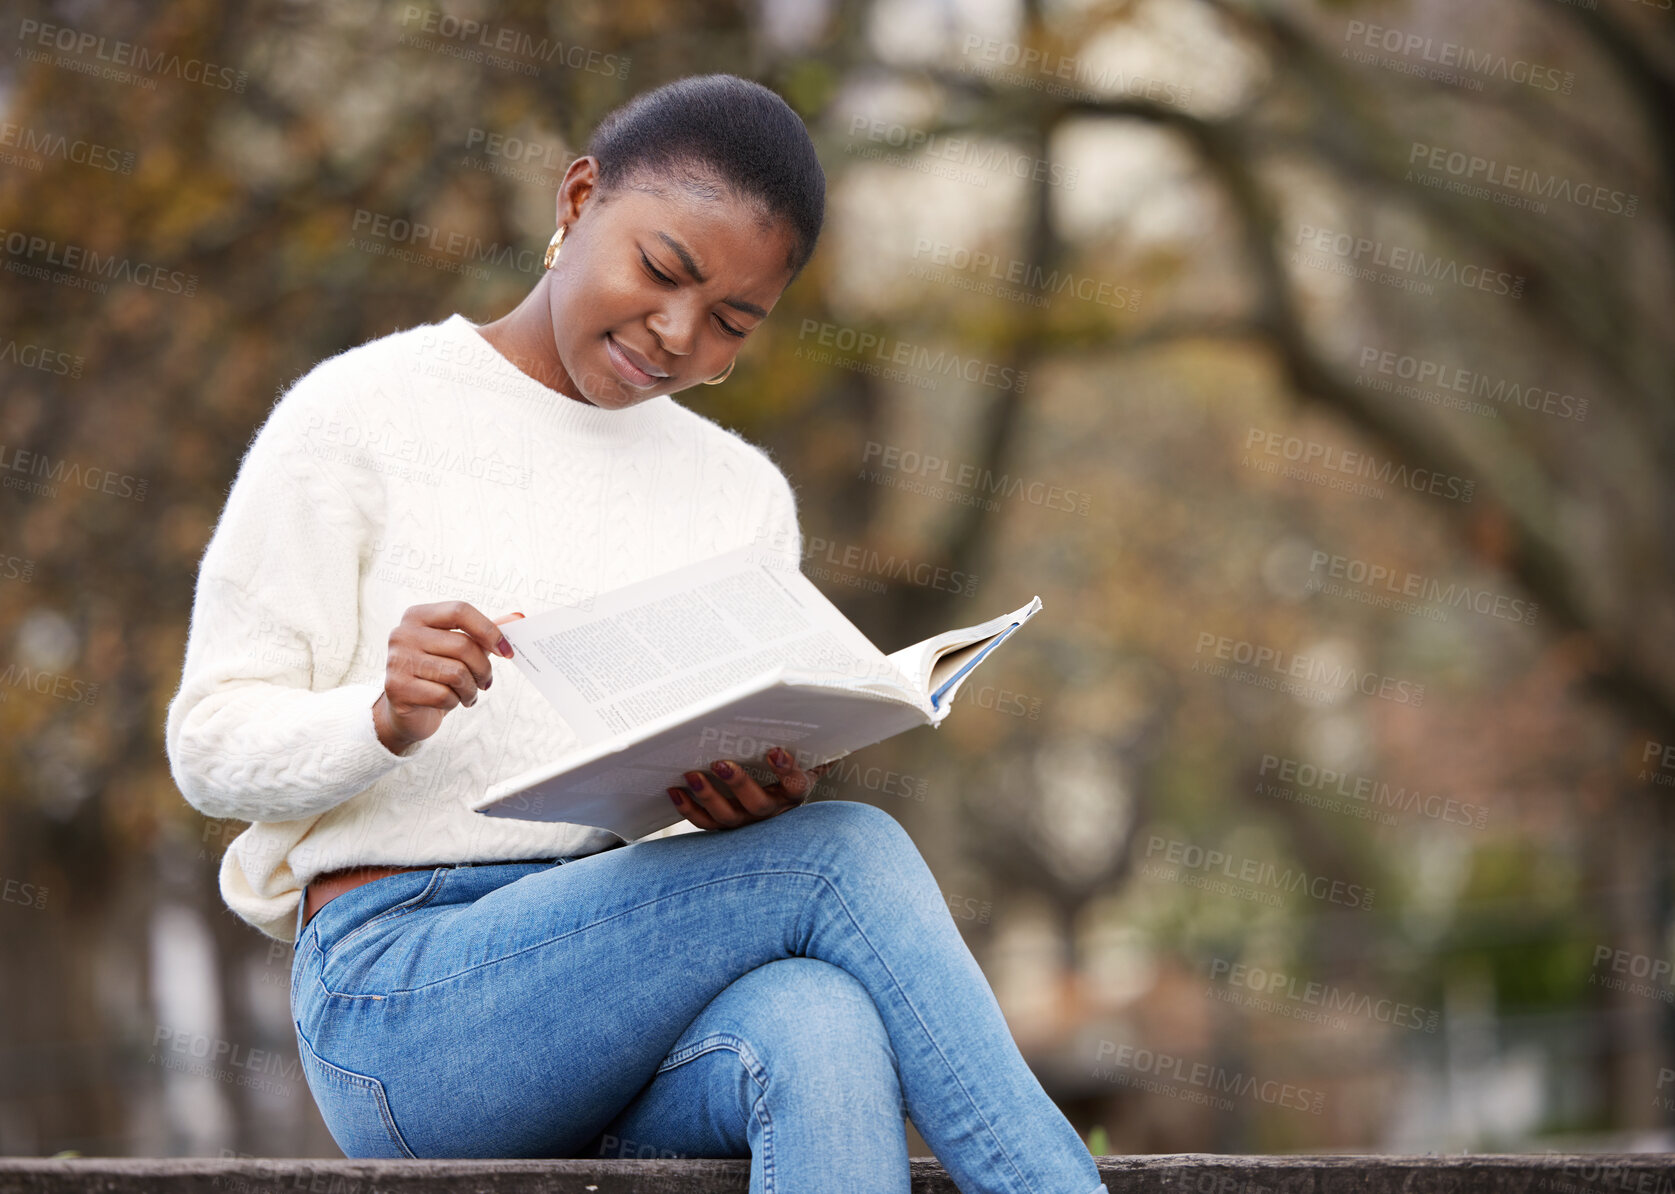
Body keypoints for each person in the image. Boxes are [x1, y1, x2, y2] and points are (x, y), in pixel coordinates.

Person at [165, 73, 1106, 1194]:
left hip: (630, 1002)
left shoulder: (740, 497)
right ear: (575, 202)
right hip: (403, 1003)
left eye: (732, 322)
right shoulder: (357, 417)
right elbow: (209, 747)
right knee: (846, 857)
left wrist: (734, 809)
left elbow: (658, 858)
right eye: (662, 271)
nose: (675, 333)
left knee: (817, 1018)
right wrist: (377, 715)